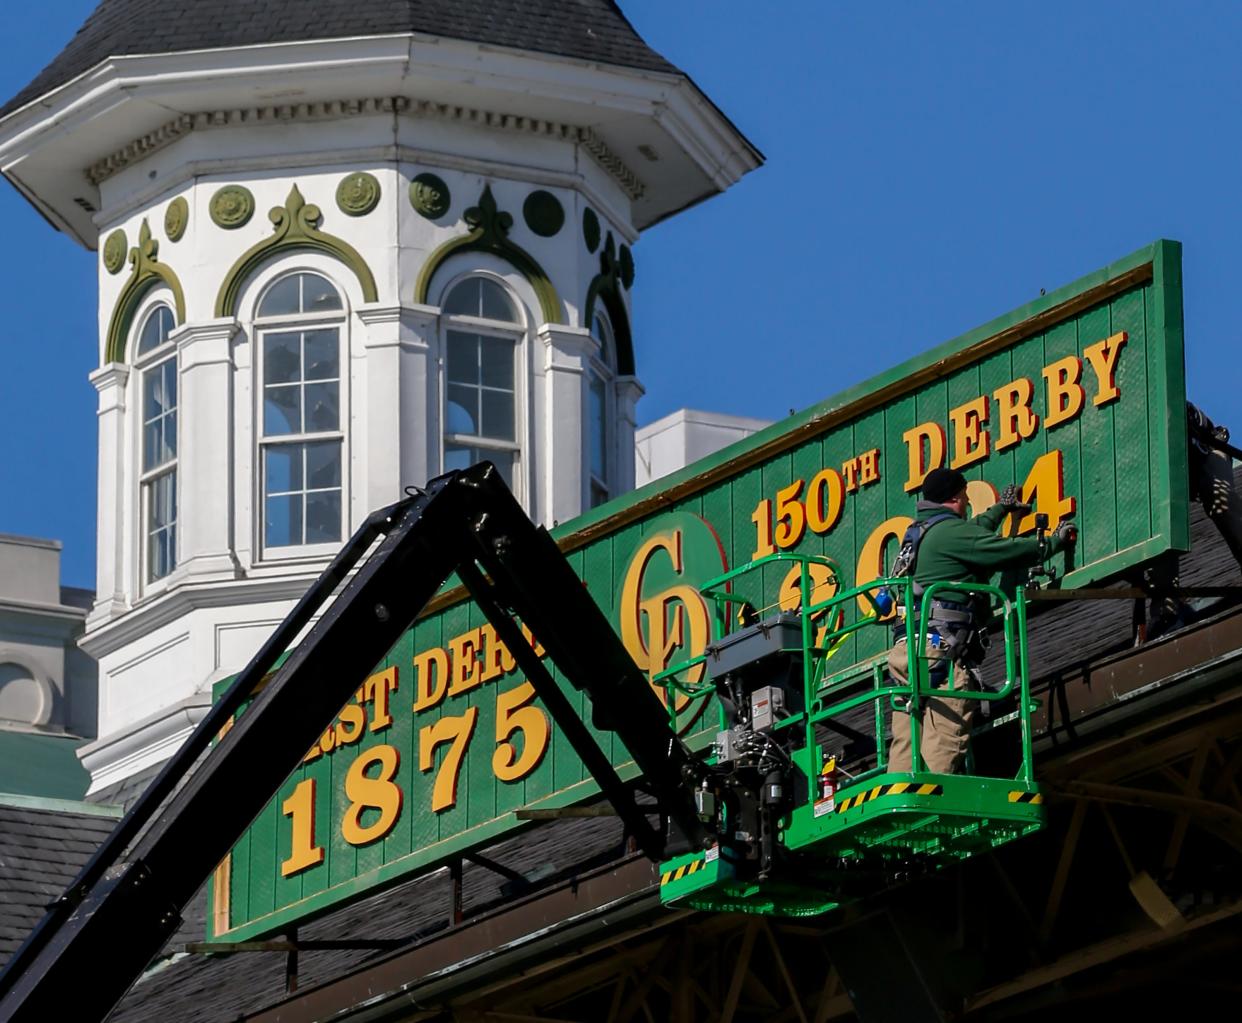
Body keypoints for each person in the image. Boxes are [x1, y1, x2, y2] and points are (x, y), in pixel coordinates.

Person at [887, 466, 1077, 774]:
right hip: (940, 652)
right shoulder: (951, 533)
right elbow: (1001, 549)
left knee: (907, 737)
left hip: (908, 649)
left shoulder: (920, 533)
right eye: (963, 495)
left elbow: (973, 533)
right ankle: (932, 806)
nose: (965, 502)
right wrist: (1052, 543)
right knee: (944, 739)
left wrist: (1001, 509)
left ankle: (902, 802)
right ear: (955, 497)